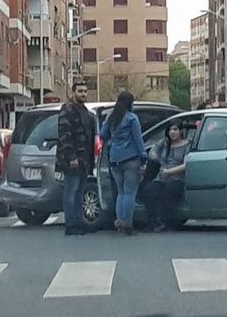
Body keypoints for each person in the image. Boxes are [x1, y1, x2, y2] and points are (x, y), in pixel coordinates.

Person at [100, 91, 147, 235]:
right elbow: (138, 140)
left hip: (114, 159)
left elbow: (103, 134)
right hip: (131, 159)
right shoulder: (132, 118)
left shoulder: (111, 117)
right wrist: (143, 157)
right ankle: (127, 223)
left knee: (120, 192)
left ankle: (120, 222)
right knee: (130, 193)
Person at [56, 81, 97, 236]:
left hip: (84, 158)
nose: (83, 94)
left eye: (85, 91)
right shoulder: (67, 110)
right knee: (70, 192)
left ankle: (79, 222)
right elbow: (65, 136)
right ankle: (70, 224)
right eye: (80, 91)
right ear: (73, 92)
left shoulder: (85, 111)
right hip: (72, 159)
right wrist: (71, 157)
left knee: (80, 192)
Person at [143, 124, 191, 232]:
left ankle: (164, 221)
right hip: (162, 177)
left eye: (175, 129)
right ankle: (152, 221)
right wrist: (158, 161)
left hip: (177, 177)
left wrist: (169, 172)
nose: (172, 132)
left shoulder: (187, 144)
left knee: (169, 191)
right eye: (170, 130)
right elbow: (152, 151)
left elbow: (186, 165)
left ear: (181, 131)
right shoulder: (165, 143)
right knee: (149, 190)